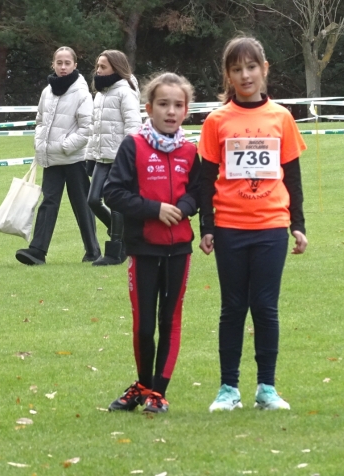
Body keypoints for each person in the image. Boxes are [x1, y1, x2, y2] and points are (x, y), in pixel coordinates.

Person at [198, 37, 308, 412]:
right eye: (236, 69)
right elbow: (205, 178)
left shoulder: (281, 117)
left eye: (251, 67)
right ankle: (228, 388)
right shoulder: (216, 121)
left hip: (271, 228)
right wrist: (207, 227)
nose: (245, 75)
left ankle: (267, 388)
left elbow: (292, 176)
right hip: (229, 227)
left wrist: (298, 224)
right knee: (232, 307)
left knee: (265, 307)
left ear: (265, 69)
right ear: (227, 75)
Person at [103, 73, 201, 414]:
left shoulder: (191, 151)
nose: (170, 111)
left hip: (179, 251)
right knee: (144, 324)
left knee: (169, 320)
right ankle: (142, 384)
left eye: (177, 105)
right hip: (144, 248)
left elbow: (198, 193)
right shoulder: (133, 146)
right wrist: (154, 209)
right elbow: (113, 192)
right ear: (149, 108)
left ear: (186, 110)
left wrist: (185, 208)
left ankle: (158, 391)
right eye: (163, 104)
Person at [15, 46, 100, 265]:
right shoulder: (47, 92)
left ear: (75, 65)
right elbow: (40, 120)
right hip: (51, 159)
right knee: (48, 202)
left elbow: (87, 128)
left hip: (74, 159)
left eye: (67, 63)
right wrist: (40, 142)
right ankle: (37, 251)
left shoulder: (82, 93)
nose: (63, 67)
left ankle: (93, 250)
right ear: (53, 64)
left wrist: (64, 146)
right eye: (59, 63)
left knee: (82, 204)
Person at [84, 50, 142, 266]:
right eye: (97, 66)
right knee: (92, 200)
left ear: (115, 68)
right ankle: (125, 236)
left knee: (116, 203)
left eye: (103, 67)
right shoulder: (100, 94)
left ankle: (115, 252)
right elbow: (95, 129)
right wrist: (90, 156)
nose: (98, 70)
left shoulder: (125, 92)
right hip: (101, 157)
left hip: (120, 158)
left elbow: (133, 126)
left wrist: (128, 156)